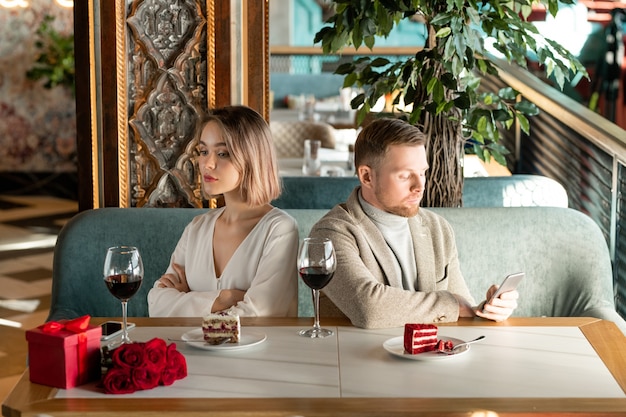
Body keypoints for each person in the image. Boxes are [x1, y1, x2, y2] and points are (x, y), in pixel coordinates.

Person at [308, 117, 519, 328]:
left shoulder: (438, 228)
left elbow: (462, 309)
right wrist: (452, 305)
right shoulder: (330, 234)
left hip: (430, 357)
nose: (419, 186)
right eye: (405, 176)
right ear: (367, 176)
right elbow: (369, 309)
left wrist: (487, 310)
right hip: (358, 356)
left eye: (422, 173)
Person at [148, 105, 298, 317]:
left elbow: (259, 314)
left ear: (252, 158)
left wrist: (185, 300)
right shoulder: (197, 228)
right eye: (203, 152)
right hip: (190, 349)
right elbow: (156, 305)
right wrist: (225, 299)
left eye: (222, 153)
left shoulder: (280, 229)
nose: (207, 164)